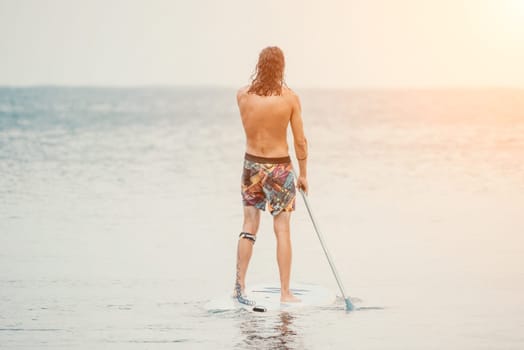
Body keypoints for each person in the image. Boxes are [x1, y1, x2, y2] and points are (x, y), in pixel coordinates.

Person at [233, 46, 308, 304]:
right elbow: (300, 141)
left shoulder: (242, 96)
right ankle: (285, 293)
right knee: (282, 230)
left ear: (260, 65)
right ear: (281, 67)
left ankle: (239, 286)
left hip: (251, 165)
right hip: (279, 167)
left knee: (248, 227)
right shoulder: (289, 99)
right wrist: (304, 174)